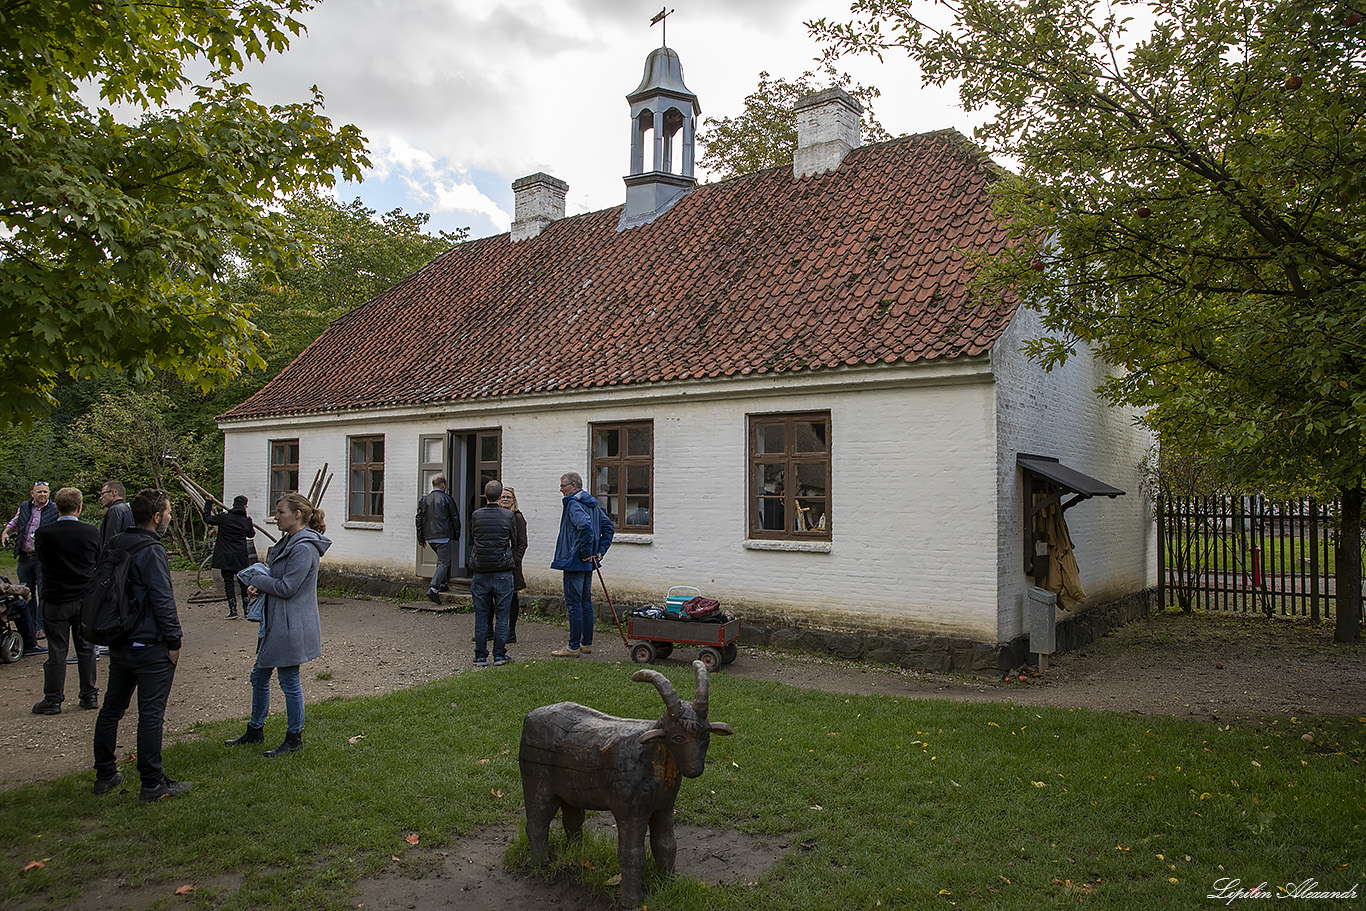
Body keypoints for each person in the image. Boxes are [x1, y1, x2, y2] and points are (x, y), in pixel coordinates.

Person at [92, 488, 191, 800]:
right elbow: (162, 599)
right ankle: (151, 782)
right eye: (169, 512)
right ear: (156, 516)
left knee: (112, 709)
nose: (171, 517)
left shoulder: (115, 543)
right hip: (149, 643)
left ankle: (105, 774)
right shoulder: (152, 550)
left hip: (120, 639)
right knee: (150, 714)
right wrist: (174, 640)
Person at [227, 493, 330, 757]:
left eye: (281, 512)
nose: (276, 517)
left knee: (288, 680)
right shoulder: (288, 542)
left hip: (290, 624)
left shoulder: (305, 548)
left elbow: (287, 587)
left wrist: (258, 580)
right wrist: (259, 584)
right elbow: (276, 578)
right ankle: (255, 730)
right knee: (259, 675)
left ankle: (294, 738)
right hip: (276, 621)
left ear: (297, 515)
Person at [32, 487, 102, 714]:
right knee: (86, 648)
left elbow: (41, 559)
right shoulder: (91, 533)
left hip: (55, 597)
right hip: (83, 597)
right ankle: (89, 695)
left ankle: (53, 699)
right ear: (79, 507)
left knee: (57, 650)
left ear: (56, 506)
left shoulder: (44, 533)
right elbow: (98, 561)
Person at [550, 472, 614, 658]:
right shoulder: (592, 504)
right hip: (586, 563)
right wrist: (598, 552)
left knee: (574, 604)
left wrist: (587, 553)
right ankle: (586, 644)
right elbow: (608, 527)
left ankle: (572, 647)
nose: (560, 489)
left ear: (574, 486)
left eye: (563, 485)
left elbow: (585, 526)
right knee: (586, 603)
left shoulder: (573, 504)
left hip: (575, 562)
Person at [2, 481, 57, 649]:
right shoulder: (25, 507)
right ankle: (31, 625)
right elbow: (15, 522)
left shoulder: (54, 509)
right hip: (25, 556)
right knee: (25, 592)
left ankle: (41, 627)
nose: (42, 495)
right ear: (32, 493)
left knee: (43, 592)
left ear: (49, 493)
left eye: (45, 492)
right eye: (39, 492)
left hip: (43, 557)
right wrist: (5, 533)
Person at [469, 480, 518, 667]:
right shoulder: (507, 516)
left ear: (484, 495)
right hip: (502, 571)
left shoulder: (477, 515)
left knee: (481, 616)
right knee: (502, 616)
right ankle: (499, 654)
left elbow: (474, 536)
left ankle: (480, 655)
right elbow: (513, 539)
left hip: (481, 570)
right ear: (499, 497)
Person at [203, 495, 256, 619]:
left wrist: (208, 503)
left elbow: (207, 519)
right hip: (240, 556)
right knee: (243, 582)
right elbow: (251, 534)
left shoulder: (224, 518)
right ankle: (247, 610)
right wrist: (249, 523)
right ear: (244, 506)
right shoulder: (245, 520)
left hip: (225, 556)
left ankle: (233, 610)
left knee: (228, 582)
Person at [487, 486, 527, 645]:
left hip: (511, 564)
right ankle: (489, 629)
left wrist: (515, 560)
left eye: (508, 497)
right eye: (502, 496)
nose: (505, 499)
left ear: (513, 500)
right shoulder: (495, 515)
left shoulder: (517, 517)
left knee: (512, 597)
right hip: (495, 562)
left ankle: (511, 631)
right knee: (490, 596)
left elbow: (522, 543)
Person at [416, 475, 460, 605]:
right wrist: (456, 535)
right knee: (443, 562)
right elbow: (455, 518)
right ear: (443, 485)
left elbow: (419, 519)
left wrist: (421, 538)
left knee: (441, 560)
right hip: (443, 536)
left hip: (430, 537)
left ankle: (443, 583)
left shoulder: (424, 500)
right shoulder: (447, 499)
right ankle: (434, 588)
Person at [98, 481, 134, 546]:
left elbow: (111, 540)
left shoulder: (115, 510)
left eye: (102, 494)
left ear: (113, 492)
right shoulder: (128, 509)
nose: (100, 498)